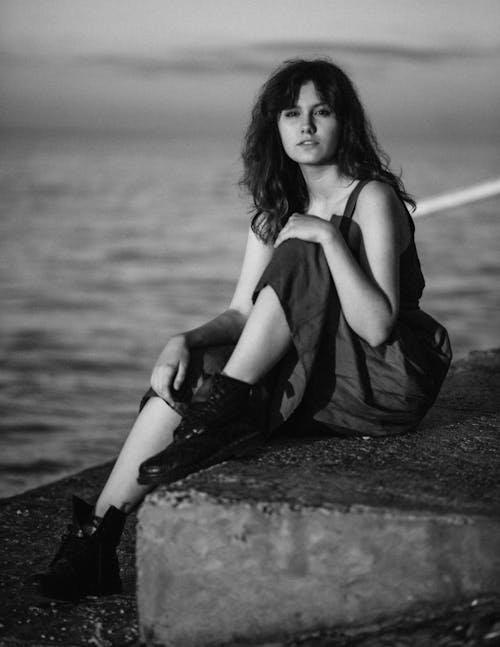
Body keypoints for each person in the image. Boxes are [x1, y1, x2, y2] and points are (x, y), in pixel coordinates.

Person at [35, 58, 452, 600]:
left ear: (343, 122)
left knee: (299, 255)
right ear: (274, 127)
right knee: (192, 374)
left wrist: (326, 240)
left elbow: (377, 327)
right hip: (320, 370)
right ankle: (95, 539)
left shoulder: (372, 198)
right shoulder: (275, 210)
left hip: (384, 380)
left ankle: (228, 407)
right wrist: (186, 339)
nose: (305, 126)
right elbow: (241, 313)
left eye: (321, 112)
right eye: (291, 113)